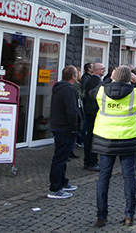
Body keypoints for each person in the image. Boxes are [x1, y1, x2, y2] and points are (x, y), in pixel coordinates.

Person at [91, 65, 136, 227]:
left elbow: (93, 91)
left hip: (106, 141)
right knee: (129, 178)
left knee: (103, 178)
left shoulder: (101, 92)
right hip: (128, 140)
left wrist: (108, 79)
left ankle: (101, 217)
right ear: (129, 78)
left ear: (113, 76)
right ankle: (129, 216)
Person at [48, 65, 83, 199]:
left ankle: (62, 182)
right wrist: (75, 126)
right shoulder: (68, 90)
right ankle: (55, 187)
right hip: (64, 127)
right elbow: (71, 110)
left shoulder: (59, 88)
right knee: (60, 157)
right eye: (76, 74)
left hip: (59, 125)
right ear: (73, 76)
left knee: (62, 157)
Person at [83, 62, 105, 171]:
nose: (104, 71)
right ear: (96, 70)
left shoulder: (91, 81)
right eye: (102, 69)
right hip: (94, 113)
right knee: (93, 138)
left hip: (90, 112)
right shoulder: (97, 82)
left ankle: (88, 160)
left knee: (90, 137)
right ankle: (92, 161)